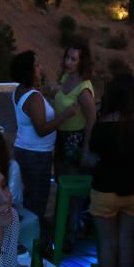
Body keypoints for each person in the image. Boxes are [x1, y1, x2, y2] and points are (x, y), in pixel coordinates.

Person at [88, 73, 134, 267]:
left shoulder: (101, 127)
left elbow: (92, 153)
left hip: (104, 190)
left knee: (107, 243)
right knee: (126, 243)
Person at [10, 51, 77, 243]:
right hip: (37, 156)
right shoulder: (34, 97)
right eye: (37, 65)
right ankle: (34, 248)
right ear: (29, 70)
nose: (41, 67)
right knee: (36, 204)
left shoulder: (19, 91)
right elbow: (41, 129)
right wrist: (65, 115)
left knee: (26, 201)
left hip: (23, 149)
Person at [53, 39, 96, 174]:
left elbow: (91, 122)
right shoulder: (66, 77)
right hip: (59, 136)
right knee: (60, 176)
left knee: (70, 179)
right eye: (67, 57)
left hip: (74, 141)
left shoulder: (83, 90)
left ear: (81, 62)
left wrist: (85, 151)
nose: (68, 62)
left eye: (73, 59)